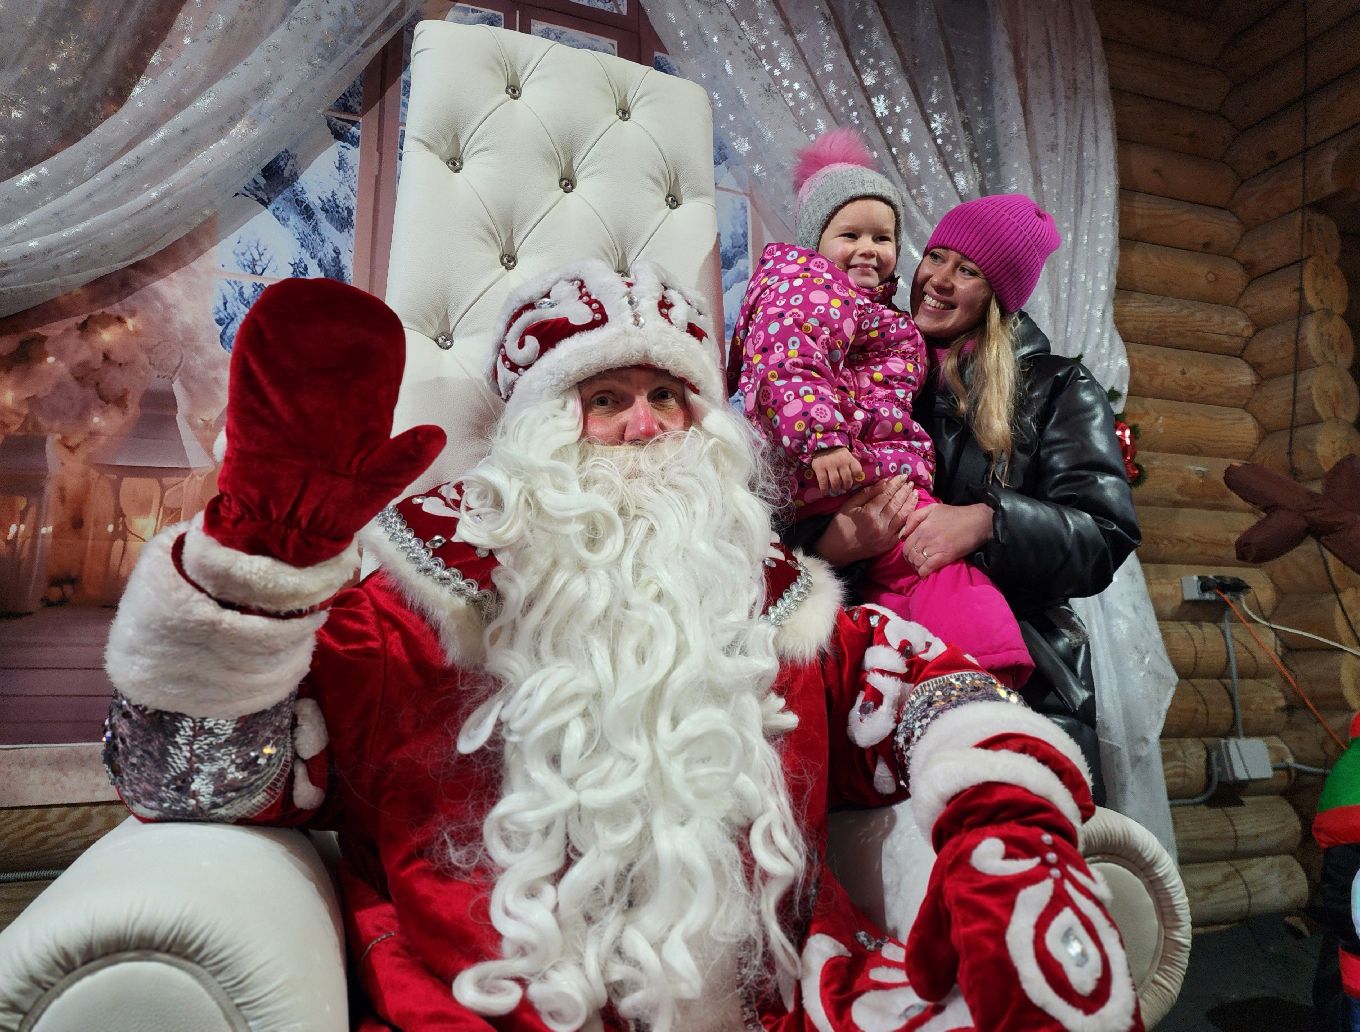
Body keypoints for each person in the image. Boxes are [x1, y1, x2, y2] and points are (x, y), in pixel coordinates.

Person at [101, 266, 1139, 1031]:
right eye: (606, 399)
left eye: (670, 397)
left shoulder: (782, 607)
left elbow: (926, 692)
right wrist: (254, 571)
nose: (647, 428)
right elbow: (189, 783)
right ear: (545, 431)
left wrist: (1000, 802)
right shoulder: (413, 609)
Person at [800, 194, 1142, 801]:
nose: (937, 280)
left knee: (997, 858)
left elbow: (1105, 534)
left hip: (1015, 678)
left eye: (968, 270)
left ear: (998, 295)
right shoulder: (852, 366)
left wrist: (989, 520)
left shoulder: (1057, 387)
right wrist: (834, 543)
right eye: (936, 256)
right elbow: (784, 508)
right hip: (864, 674)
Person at [729, 129, 1032, 684]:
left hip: (860, 478)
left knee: (910, 579)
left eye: (883, 237)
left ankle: (930, 682)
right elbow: (786, 366)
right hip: (837, 470)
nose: (869, 248)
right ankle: (983, 674)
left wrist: (989, 518)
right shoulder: (807, 291)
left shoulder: (871, 312)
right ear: (815, 242)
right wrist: (825, 443)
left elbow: (1098, 529)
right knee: (939, 574)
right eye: (849, 234)